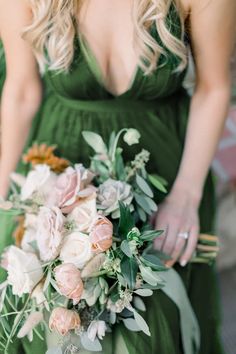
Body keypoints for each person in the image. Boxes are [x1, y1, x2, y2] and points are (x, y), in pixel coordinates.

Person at [0, 0, 235, 353]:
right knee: (45, 322)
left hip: (163, 170)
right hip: (58, 169)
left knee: (154, 327)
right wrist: (3, 190)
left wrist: (186, 195)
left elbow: (213, 88)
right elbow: (21, 91)